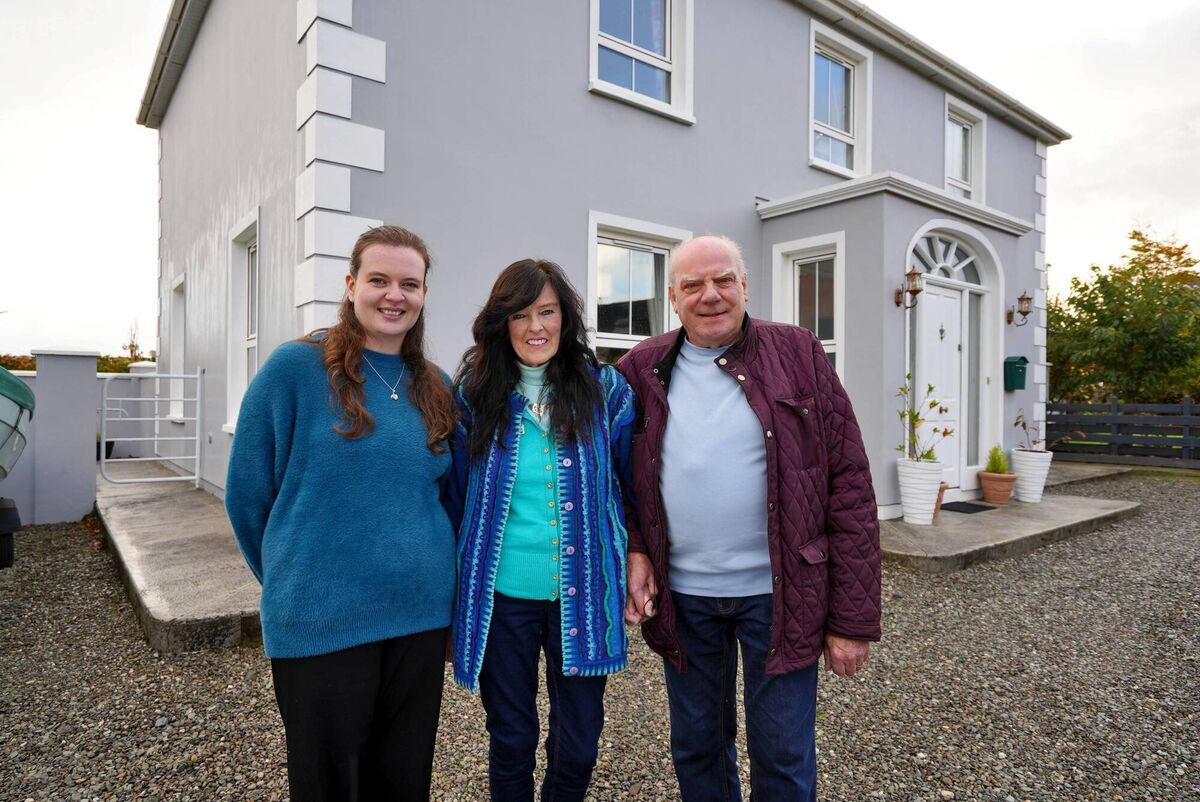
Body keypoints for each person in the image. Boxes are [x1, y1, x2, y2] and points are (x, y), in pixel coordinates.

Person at [617, 235, 881, 802]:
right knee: (697, 749)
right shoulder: (640, 369)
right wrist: (636, 548)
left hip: (780, 596)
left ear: (745, 286)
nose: (710, 295)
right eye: (693, 285)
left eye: (723, 280)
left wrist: (854, 620)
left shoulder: (799, 353)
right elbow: (616, 481)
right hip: (684, 598)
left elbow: (851, 485)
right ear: (673, 297)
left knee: (783, 754)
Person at [225, 225, 458, 802]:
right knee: (329, 785)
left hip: (420, 620)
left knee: (403, 782)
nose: (393, 295)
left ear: (425, 294)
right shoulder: (295, 370)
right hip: (322, 620)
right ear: (351, 285)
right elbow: (247, 496)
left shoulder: (437, 385)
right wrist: (295, 578)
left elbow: (448, 497)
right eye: (378, 280)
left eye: (409, 283)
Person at [451, 259, 636, 802]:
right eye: (520, 314)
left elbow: (634, 483)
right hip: (501, 597)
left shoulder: (606, 391)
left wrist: (639, 558)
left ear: (566, 318)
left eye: (547, 311)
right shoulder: (473, 396)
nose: (535, 326)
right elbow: (455, 495)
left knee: (578, 743)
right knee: (511, 737)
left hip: (582, 593)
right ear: (501, 324)